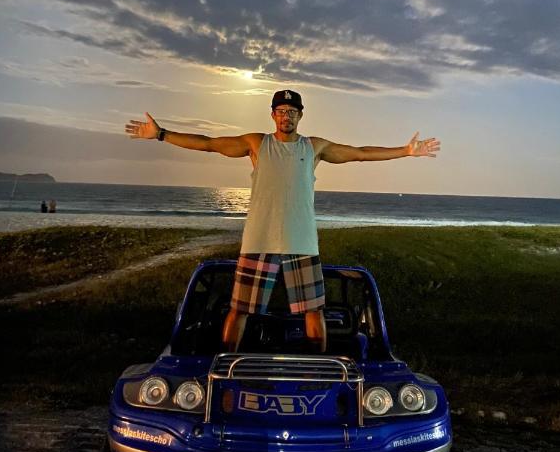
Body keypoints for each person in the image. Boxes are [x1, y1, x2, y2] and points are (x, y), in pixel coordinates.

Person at [126, 90, 440, 353]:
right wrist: (162, 135)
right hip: (259, 241)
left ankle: (317, 373)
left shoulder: (314, 146)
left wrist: (406, 151)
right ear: (272, 114)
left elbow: (359, 153)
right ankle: (224, 368)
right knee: (239, 311)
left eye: (292, 111)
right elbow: (208, 143)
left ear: (300, 115)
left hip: (301, 241)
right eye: (280, 110)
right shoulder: (256, 143)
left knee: (313, 313)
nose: (286, 116)